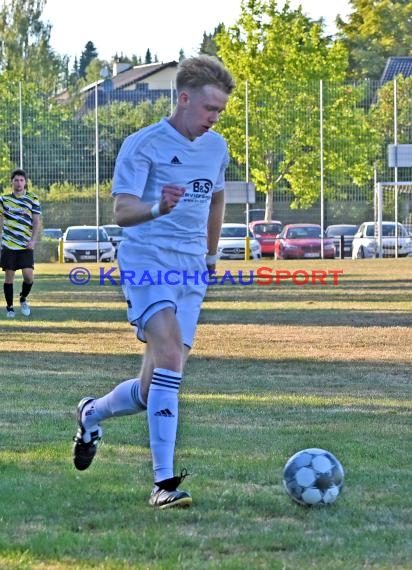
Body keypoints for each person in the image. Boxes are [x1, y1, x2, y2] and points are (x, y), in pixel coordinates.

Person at [72, 55, 235, 509]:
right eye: (209, 110)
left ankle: (91, 414)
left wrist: (209, 254)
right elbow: (123, 213)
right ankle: (163, 484)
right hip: (147, 261)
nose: (214, 119)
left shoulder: (216, 147)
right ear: (184, 99)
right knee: (166, 350)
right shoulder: (142, 146)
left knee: (153, 388)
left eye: (220, 112)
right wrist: (159, 209)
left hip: (190, 270)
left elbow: (218, 198)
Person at [0, 168, 41, 318]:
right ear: (11, 182)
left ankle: (23, 298)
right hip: (9, 245)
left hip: (25, 245)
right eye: (16, 180)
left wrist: (33, 240)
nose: (19, 183)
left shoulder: (32, 198)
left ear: (25, 182)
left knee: (29, 276)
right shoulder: (4, 199)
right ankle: (10, 307)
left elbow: (36, 221)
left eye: (21, 180)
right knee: (9, 277)